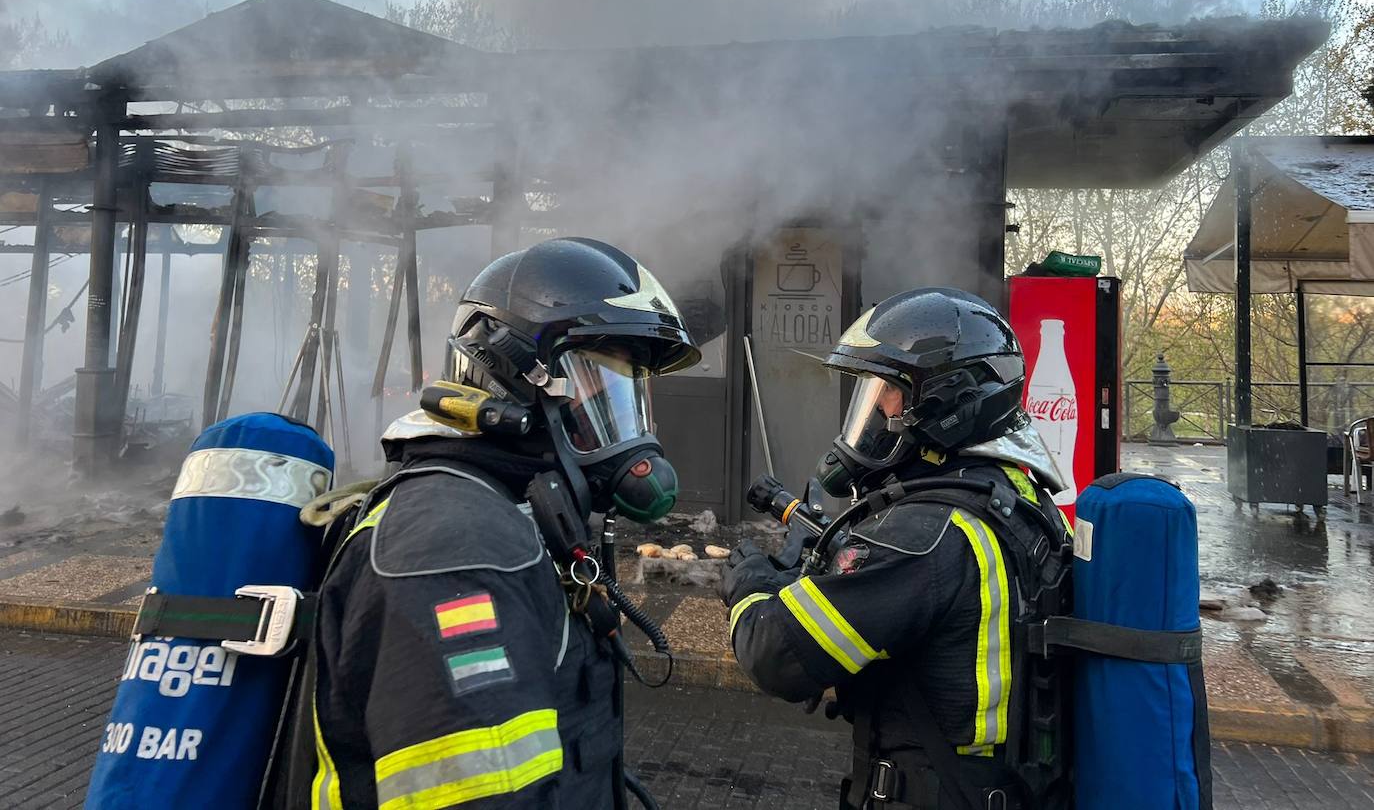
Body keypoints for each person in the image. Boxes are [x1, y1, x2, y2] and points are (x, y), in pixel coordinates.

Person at [309, 237, 699, 809]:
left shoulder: (513, 515)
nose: (628, 434)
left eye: (629, 395)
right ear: (513, 376)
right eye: (601, 386)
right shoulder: (455, 547)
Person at [721, 288, 1073, 810]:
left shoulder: (925, 536)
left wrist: (752, 583)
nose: (876, 407)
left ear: (949, 407)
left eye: (888, 391)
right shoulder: (1019, 497)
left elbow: (776, 655)